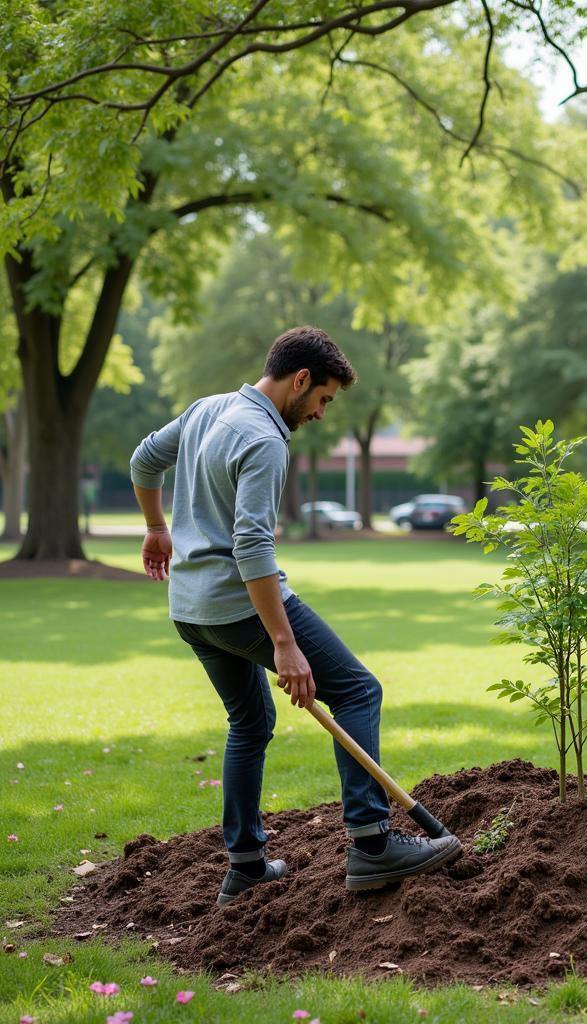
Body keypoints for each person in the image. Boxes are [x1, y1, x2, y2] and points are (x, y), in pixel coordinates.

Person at [130, 326, 461, 903]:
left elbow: (144, 460)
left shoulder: (207, 410)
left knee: (250, 724)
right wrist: (283, 643)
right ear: (300, 379)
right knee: (358, 691)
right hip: (241, 607)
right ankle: (373, 843)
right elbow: (252, 545)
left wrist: (158, 527)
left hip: (190, 609)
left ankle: (247, 865)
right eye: (324, 399)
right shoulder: (263, 437)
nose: (322, 414)